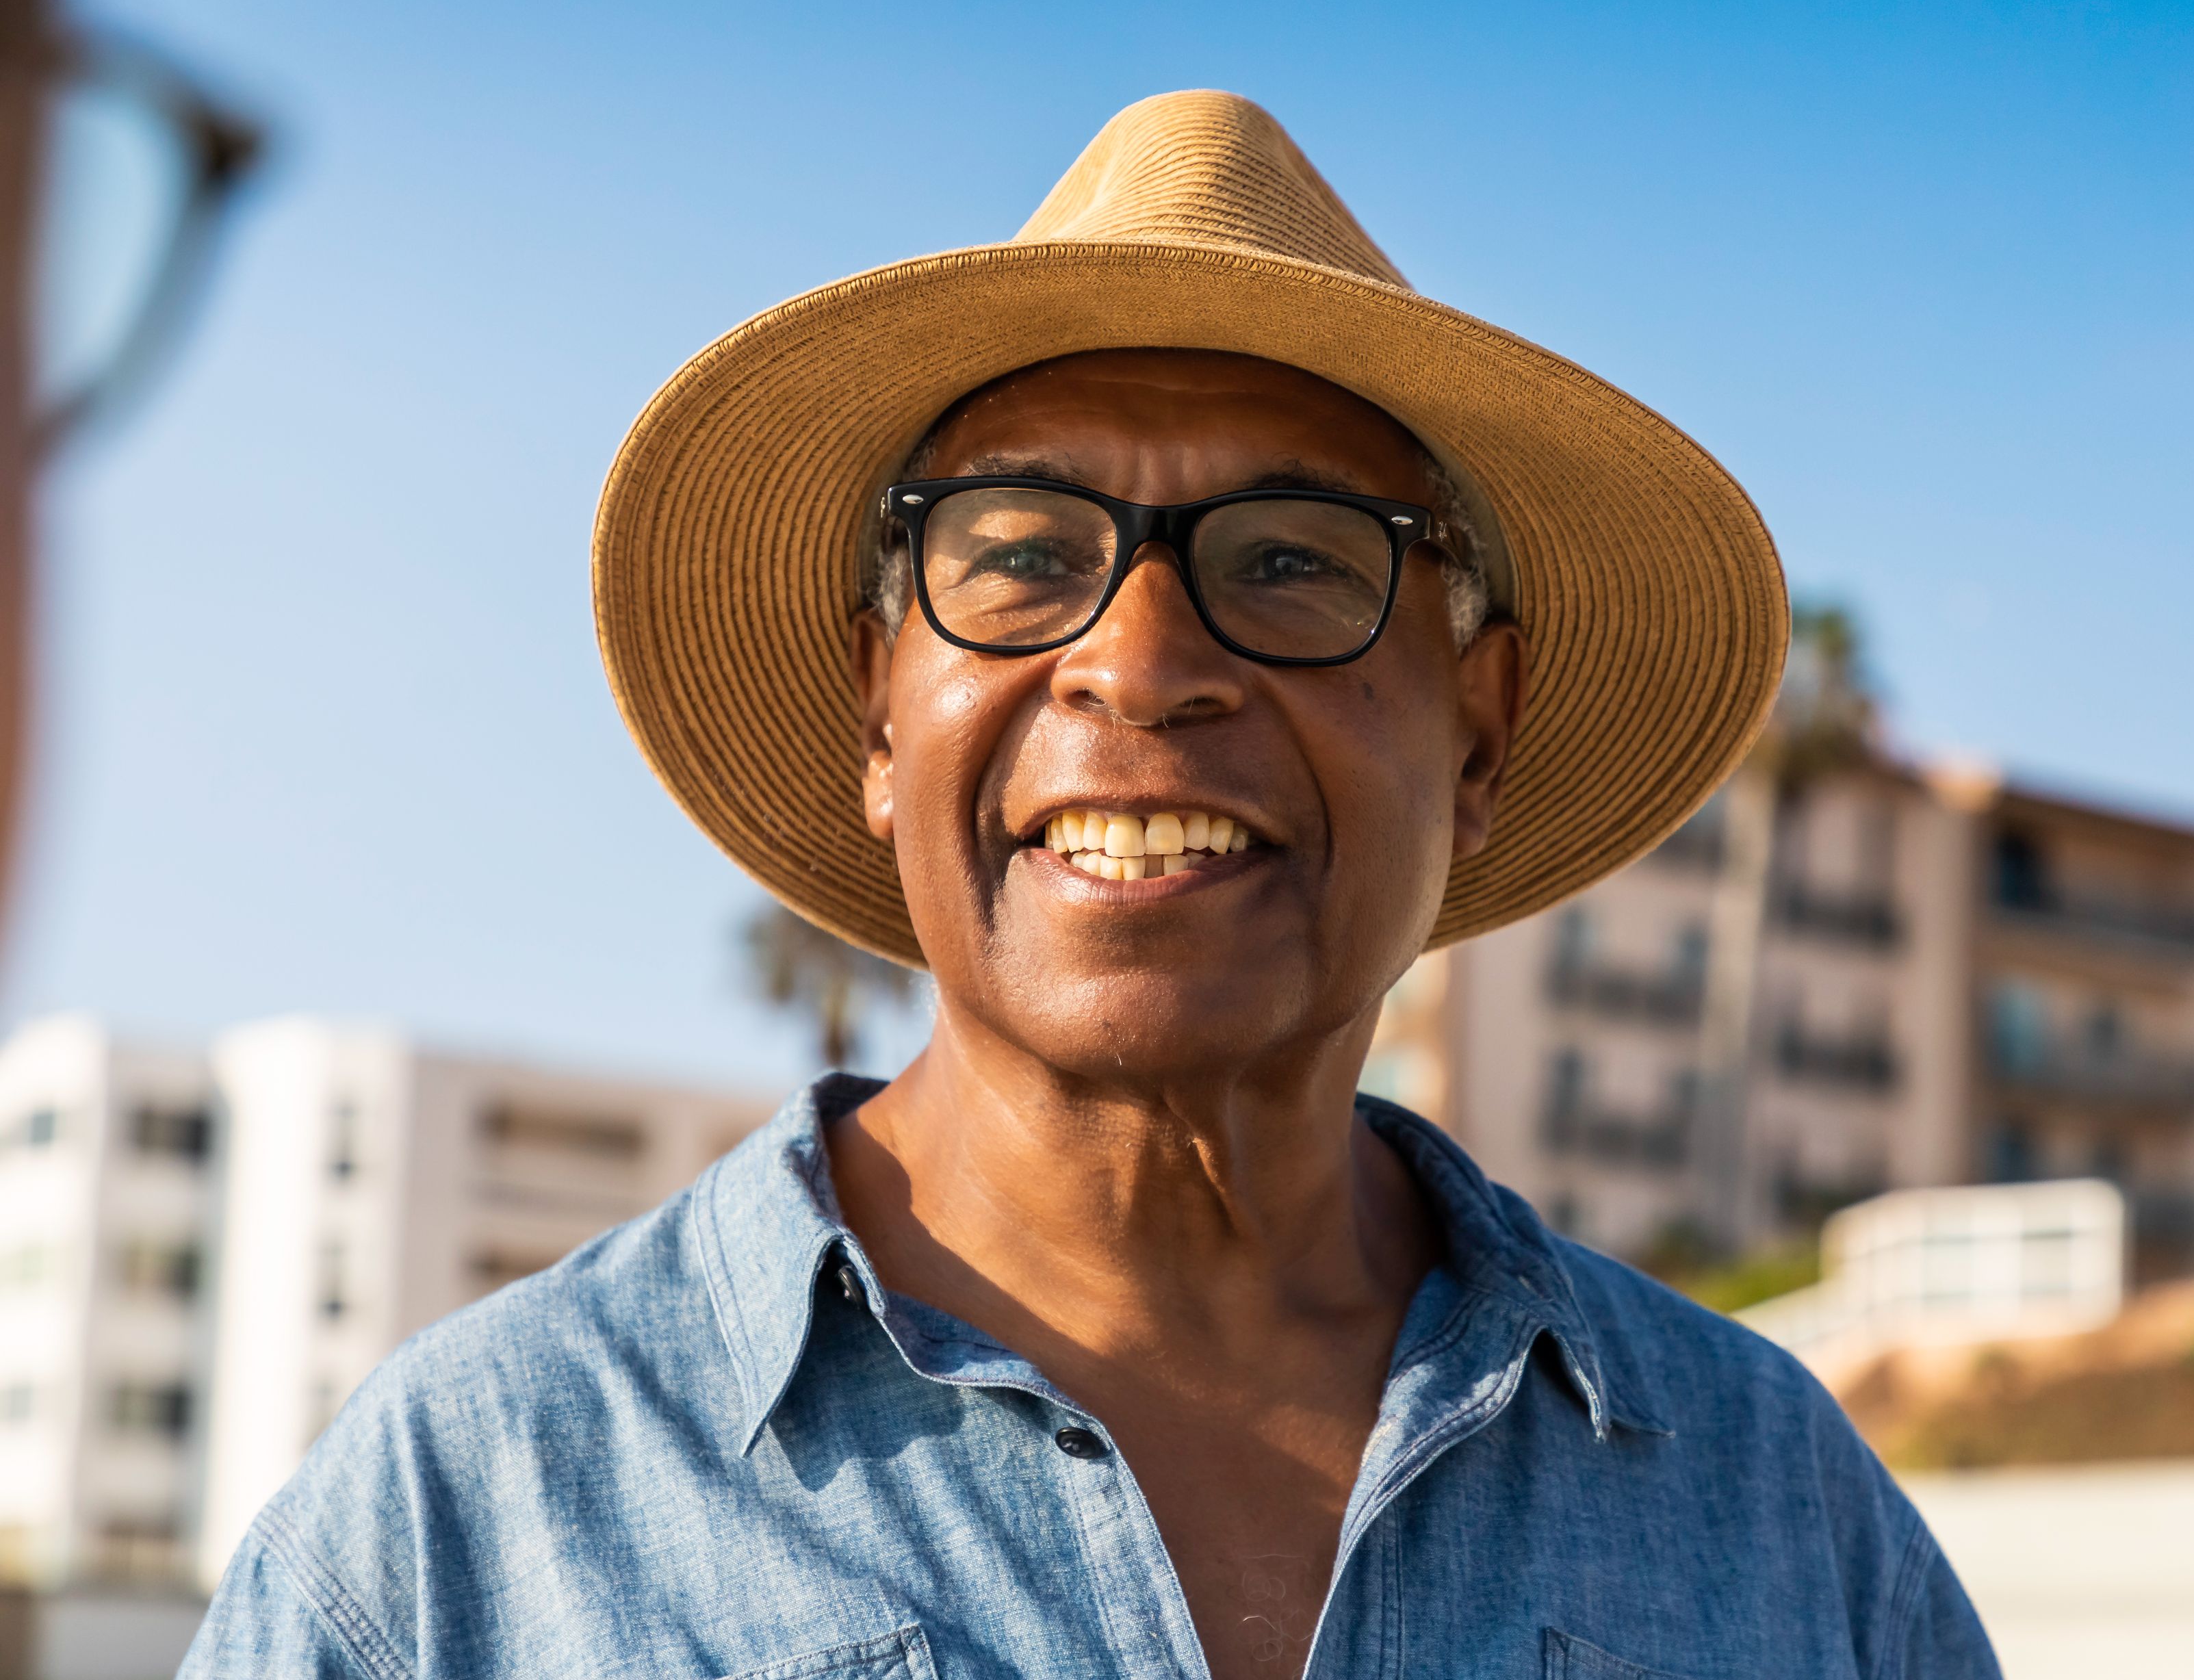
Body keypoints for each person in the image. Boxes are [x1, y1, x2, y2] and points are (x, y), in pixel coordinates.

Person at [182, 91, 1998, 1679]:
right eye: (1024, 554)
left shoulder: (1781, 1508)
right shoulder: (465, 1509)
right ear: (880, 717)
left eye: (1293, 560)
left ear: (1478, 735)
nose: (1137, 664)